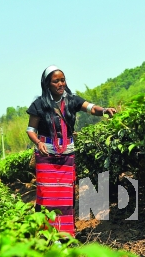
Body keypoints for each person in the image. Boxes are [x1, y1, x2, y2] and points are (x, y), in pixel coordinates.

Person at [26, 65, 116, 238]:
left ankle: (66, 234)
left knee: (65, 196)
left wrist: (104, 110)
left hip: (67, 155)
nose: (60, 84)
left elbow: (92, 108)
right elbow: (30, 129)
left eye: (62, 80)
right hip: (46, 156)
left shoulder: (72, 100)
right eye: (56, 81)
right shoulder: (39, 104)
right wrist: (38, 142)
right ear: (47, 84)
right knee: (47, 196)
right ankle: (47, 234)